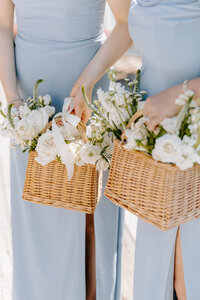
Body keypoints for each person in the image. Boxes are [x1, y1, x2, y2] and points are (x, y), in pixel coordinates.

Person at [71, 0, 200, 299]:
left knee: (188, 276)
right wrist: (87, 80)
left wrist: (182, 93)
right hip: (156, 152)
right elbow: (126, 25)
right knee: (156, 276)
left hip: (192, 133)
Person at [0, 1, 124, 299]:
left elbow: (127, 24)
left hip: (87, 95)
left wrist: (87, 81)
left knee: (90, 220)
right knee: (37, 220)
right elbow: (3, 27)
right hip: (29, 102)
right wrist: (13, 97)